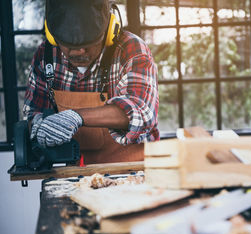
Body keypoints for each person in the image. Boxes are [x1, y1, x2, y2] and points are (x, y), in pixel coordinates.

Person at [23, 0, 159, 164]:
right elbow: (33, 111)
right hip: (75, 172)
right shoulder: (45, 57)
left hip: (134, 168)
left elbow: (142, 114)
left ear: (109, 30)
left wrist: (77, 117)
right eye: (69, 45)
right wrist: (38, 125)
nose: (79, 51)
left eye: (88, 43)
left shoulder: (131, 50)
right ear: (53, 37)